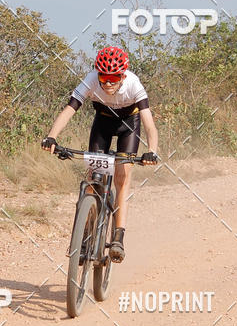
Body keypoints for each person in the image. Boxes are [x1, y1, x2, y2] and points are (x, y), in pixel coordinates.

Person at [41, 46, 159, 262]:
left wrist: (151, 150)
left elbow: (149, 124)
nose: (108, 83)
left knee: (122, 179)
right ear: (98, 73)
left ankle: (118, 238)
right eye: (104, 77)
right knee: (93, 176)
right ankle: (84, 233)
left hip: (128, 126)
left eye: (114, 77)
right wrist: (51, 136)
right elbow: (69, 110)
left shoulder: (134, 84)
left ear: (123, 75)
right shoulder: (90, 80)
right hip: (102, 124)